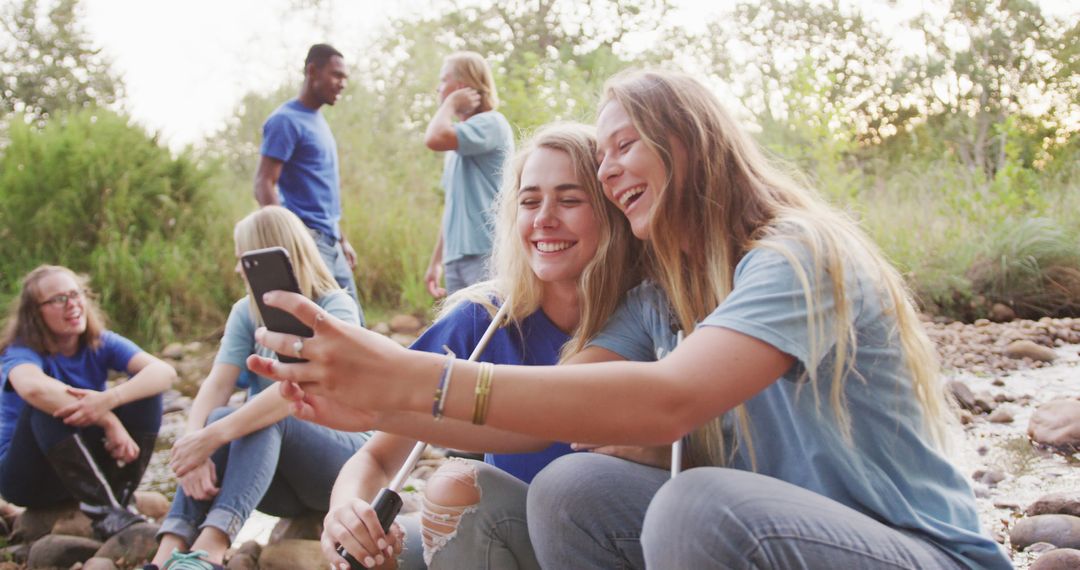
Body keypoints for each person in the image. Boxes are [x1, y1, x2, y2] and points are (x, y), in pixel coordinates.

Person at [249, 69, 1012, 570]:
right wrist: (384, 400)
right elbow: (539, 415)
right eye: (602, 157)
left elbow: (668, 398)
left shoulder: (797, 254)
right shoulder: (662, 296)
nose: (609, 170)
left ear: (688, 144)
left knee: (696, 502)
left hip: (918, 553)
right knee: (572, 485)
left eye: (622, 147)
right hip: (783, 548)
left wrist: (412, 374)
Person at [322, 123, 640, 570]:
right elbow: (378, 455)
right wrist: (345, 512)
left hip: (602, 547)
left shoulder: (645, 318)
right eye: (529, 202)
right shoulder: (484, 319)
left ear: (611, 210)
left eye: (569, 200)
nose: (544, 218)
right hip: (502, 537)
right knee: (375, 556)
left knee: (456, 483)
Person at [146, 206, 369, 570]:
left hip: (341, 467)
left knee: (272, 412)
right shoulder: (246, 311)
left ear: (267, 256)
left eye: (242, 261)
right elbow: (217, 385)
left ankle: (211, 547)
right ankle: (168, 550)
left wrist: (214, 435)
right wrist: (193, 446)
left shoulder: (335, 308)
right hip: (281, 485)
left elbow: (301, 390)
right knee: (222, 415)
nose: (237, 271)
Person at [0, 265, 175, 539]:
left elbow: (164, 372)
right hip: (26, 477)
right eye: (59, 299)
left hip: (82, 468)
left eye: (76, 294)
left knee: (146, 391)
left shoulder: (99, 342)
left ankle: (121, 500)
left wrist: (110, 398)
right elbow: (33, 389)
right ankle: (104, 511)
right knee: (49, 405)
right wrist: (108, 419)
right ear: (36, 313)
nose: (72, 305)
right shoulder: (21, 350)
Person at [255, 43, 359, 301]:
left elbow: (320, 191)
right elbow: (263, 183)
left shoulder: (318, 121)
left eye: (345, 77)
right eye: (336, 75)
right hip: (307, 240)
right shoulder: (286, 120)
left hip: (330, 240)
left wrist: (342, 239)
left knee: (355, 326)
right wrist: (288, 240)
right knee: (319, 330)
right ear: (312, 71)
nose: (342, 83)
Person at [423, 51, 514, 298]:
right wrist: (436, 262)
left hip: (486, 252)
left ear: (461, 86)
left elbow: (433, 138)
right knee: (466, 334)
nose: (438, 89)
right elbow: (452, 207)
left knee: (490, 332)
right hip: (456, 258)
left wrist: (449, 104)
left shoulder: (491, 124)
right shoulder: (456, 145)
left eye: (444, 81)